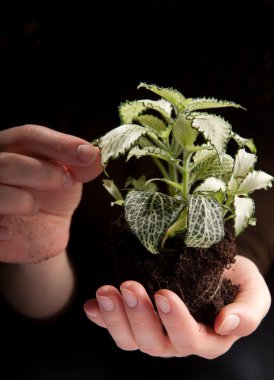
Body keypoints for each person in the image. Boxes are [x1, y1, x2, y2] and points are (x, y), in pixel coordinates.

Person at [0, 123, 272, 360]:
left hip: (219, 335)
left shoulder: (260, 75)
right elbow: (37, 305)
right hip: (75, 316)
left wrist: (238, 257)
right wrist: (37, 252)